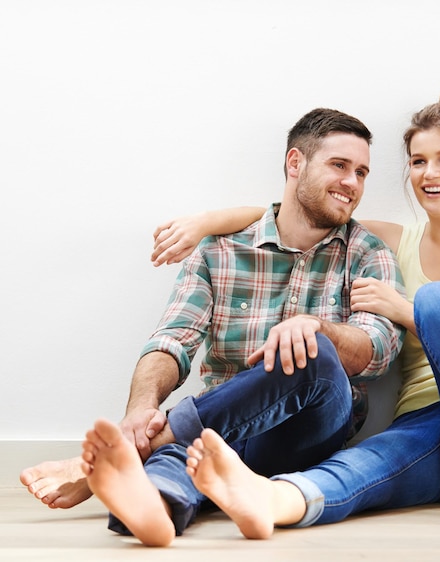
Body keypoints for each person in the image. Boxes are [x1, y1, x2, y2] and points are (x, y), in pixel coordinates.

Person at [150, 91, 440, 536]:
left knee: (439, 298)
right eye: (418, 161)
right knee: (358, 469)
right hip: (420, 424)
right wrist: (206, 221)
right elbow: (299, 211)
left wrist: (406, 309)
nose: (429, 173)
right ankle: (266, 501)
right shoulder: (394, 241)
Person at [22, 107, 406, 546]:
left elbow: (378, 349)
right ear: (295, 163)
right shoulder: (219, 252)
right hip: (216, 426)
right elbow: (172, 341)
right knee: (179, 454)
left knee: (312, 348)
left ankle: (130, 453)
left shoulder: (367, 253)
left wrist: (318, 328)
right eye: (339, 166)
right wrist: (139, 412)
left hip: (309, 431)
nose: (353, 183)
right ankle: (154, 508)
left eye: (361, 172)